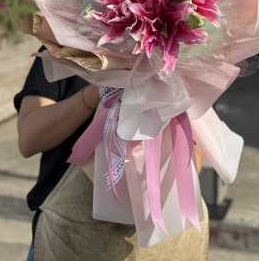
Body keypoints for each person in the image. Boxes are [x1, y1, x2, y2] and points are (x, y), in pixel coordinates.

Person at [14, 49, 208, 261]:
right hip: (67, 236)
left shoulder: (178, 58)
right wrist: (95, 94)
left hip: (152, 243)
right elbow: (29, 139)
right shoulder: (66, 47)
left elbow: (195, 156)